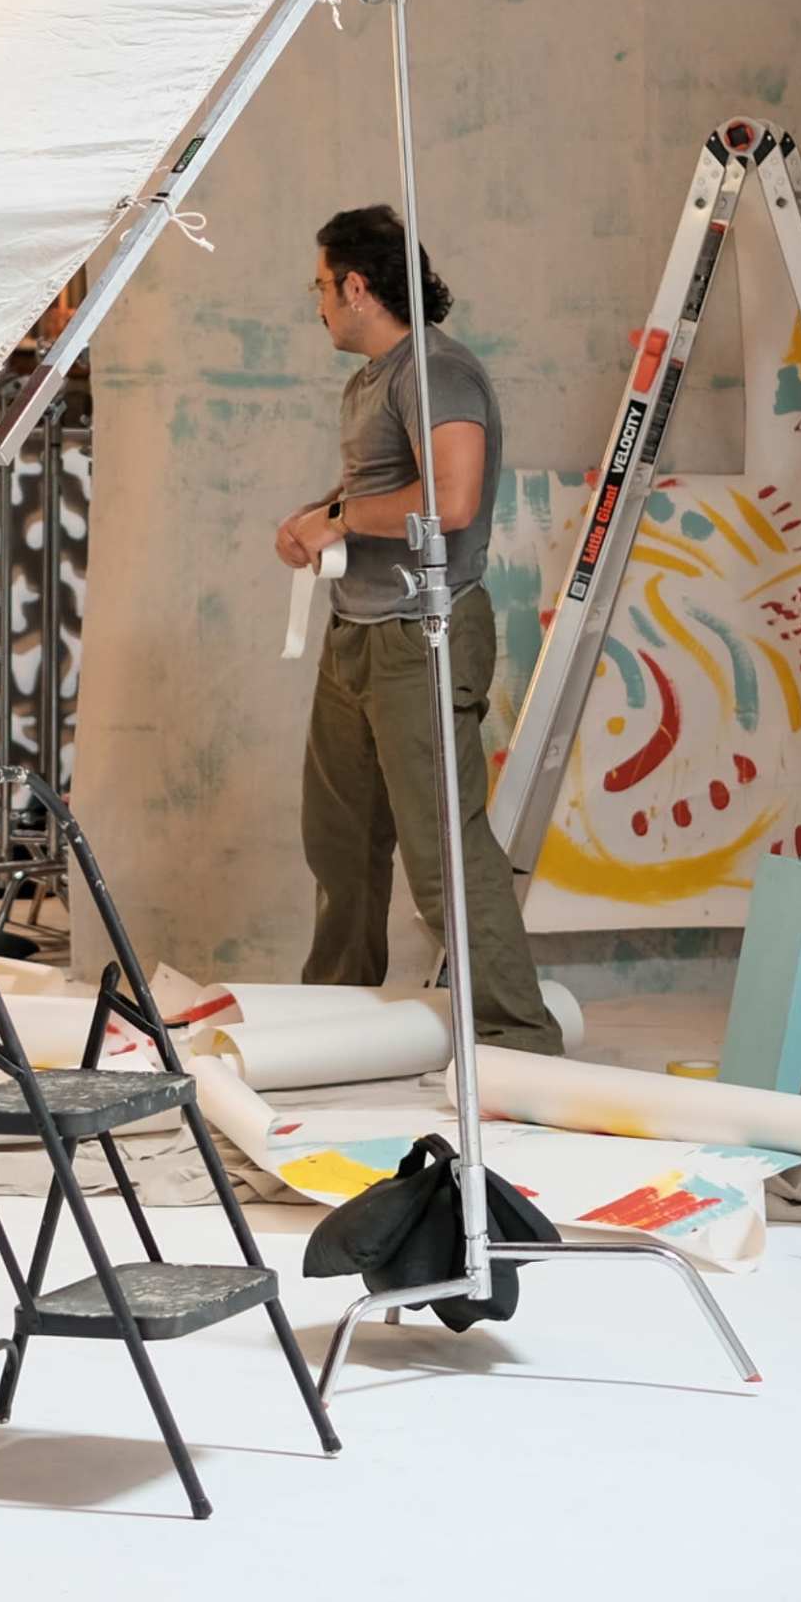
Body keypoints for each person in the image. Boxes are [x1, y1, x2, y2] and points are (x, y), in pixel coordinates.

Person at [272, 205, 559, 1054]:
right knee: (341, 846)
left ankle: (518, 1038)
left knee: (442, 855)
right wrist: (319, 515)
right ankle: (334, 1027)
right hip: (356, 634)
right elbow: (378, 487)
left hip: (420, 638)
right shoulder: (375, 378)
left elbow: (451, 498)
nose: (318, 304)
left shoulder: (440, 374)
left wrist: (335, 518)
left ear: (357, 287)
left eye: (321, 287)